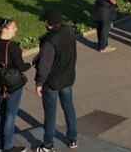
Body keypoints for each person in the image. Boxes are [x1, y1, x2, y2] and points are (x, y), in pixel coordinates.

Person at [0, 17, 31, 152]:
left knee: (2, 113)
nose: (16, 29)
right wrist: (32, 63)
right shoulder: (12, 47)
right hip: (12, 86)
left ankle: (0, 144)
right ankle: (8, 147)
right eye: (13, 27)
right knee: (11, 115)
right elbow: (21, 67)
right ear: (4, 30)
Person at [34, 9, 78, 152]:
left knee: (50, 113)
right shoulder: (69, 32)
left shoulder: (49, 42)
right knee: (69, 107)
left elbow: (44, 66)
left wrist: (39, 83)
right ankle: (73, 138)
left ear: (48, 24)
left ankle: (48, 144)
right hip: (67, 77)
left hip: (52, 82)